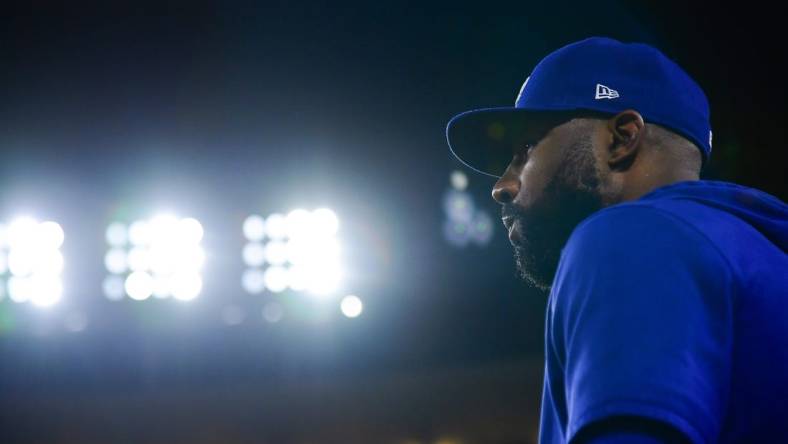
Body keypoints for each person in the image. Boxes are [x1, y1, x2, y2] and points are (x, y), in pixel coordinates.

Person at [446, 37, 788, 443]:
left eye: (526, 148)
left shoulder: (631, 236)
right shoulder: (757, 252)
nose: (501, 186)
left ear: (622, 138)